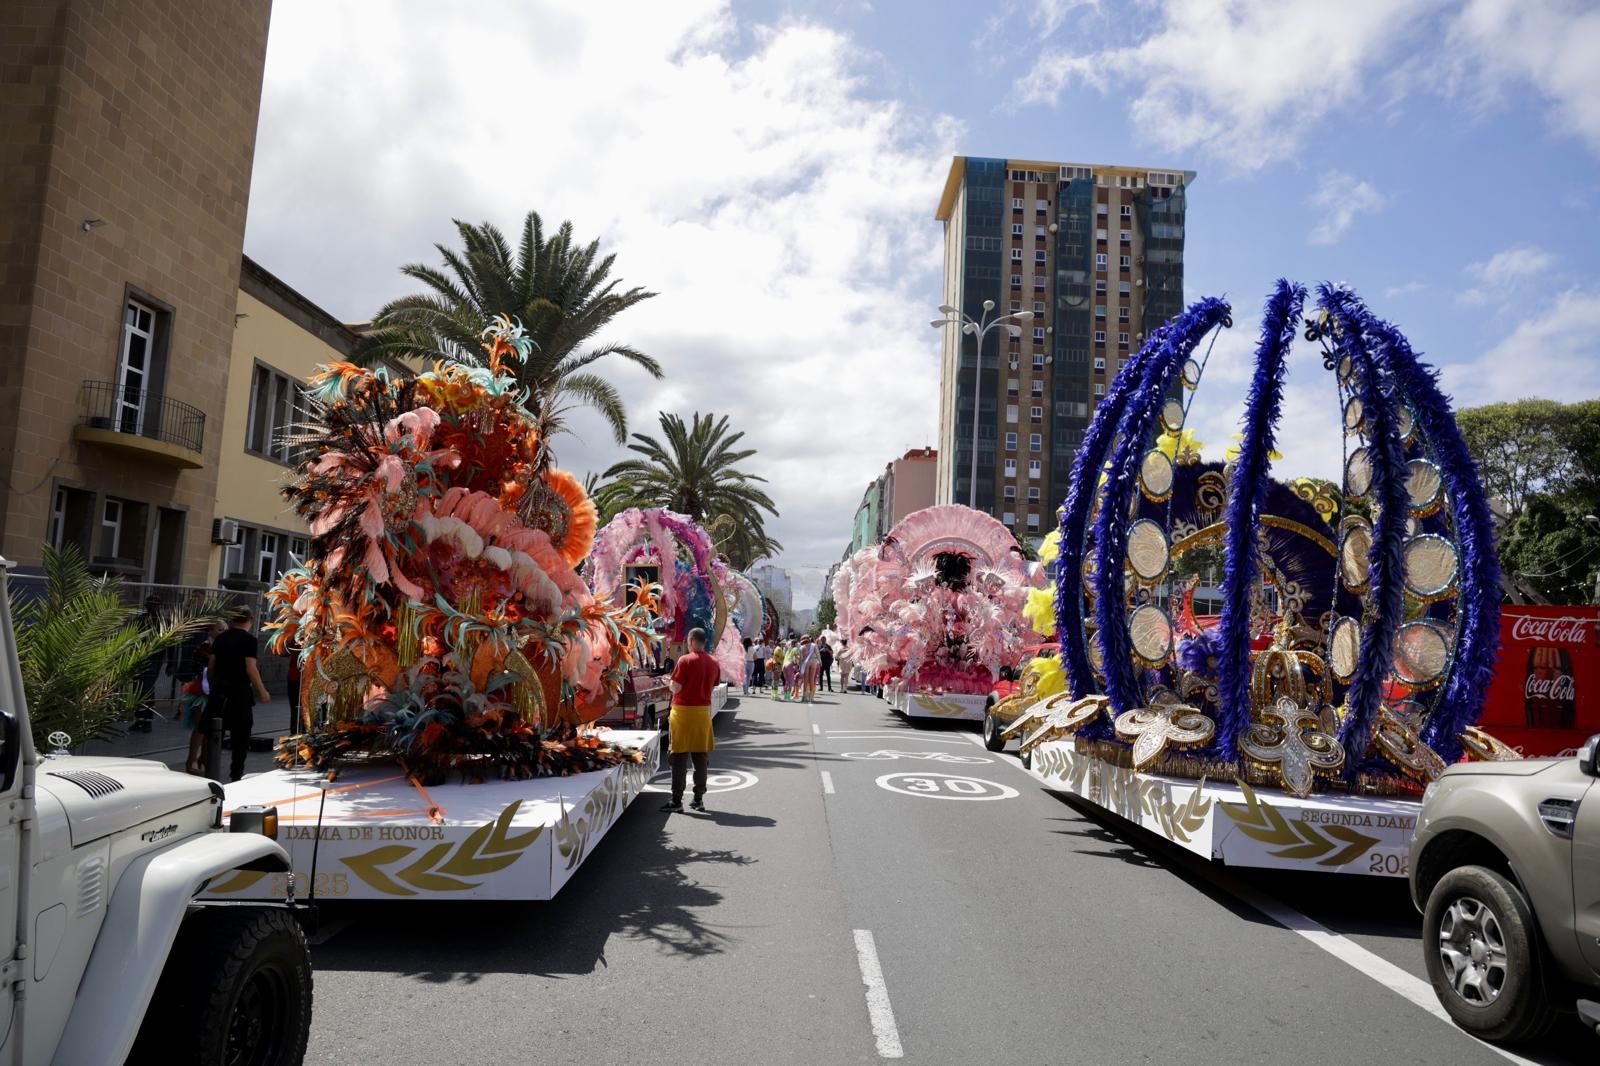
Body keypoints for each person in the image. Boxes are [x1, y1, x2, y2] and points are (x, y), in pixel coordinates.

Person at [205, 607, 271, 782]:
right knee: (241, 736)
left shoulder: (220, 639)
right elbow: (251, 668)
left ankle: (209, 772)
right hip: (239, 692)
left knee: (213, 733)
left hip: (219, 692)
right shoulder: (249, 640)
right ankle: (236, 775)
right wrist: (262, 692)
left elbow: (211, 666)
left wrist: (213, 687)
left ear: (232, 620)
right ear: (250, 619)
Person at [663, 627, 720, 813]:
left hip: (683, 713)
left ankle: (676, 800)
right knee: (700, 757)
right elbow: (712, 685)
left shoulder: (684, 660)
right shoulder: (713, 662)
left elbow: (677, 688)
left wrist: (668, 683)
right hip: (703, 713)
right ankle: (698, 799)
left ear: (691, 641)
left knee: (679, 757)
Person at [181, 623, 224, 774]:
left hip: (216, 689)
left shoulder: (223, 646)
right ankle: (191, 759)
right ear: (211, 631)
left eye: (224, 630)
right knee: (200, 727)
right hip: (202, 690)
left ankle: (205, 758)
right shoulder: (203, 648)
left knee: (213, 729)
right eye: (219, 629)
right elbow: (197, 668)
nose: (222, 632)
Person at [800, 635, 820, 703]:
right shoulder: (814, 645)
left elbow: (801, 659)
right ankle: (811, 697)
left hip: (806, 663)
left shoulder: (802, 647)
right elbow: (817, 654)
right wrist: (820, 662)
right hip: (814, 662)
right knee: (811, 679)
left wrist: (800, 667)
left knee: (805, 681)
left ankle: (804, 697)